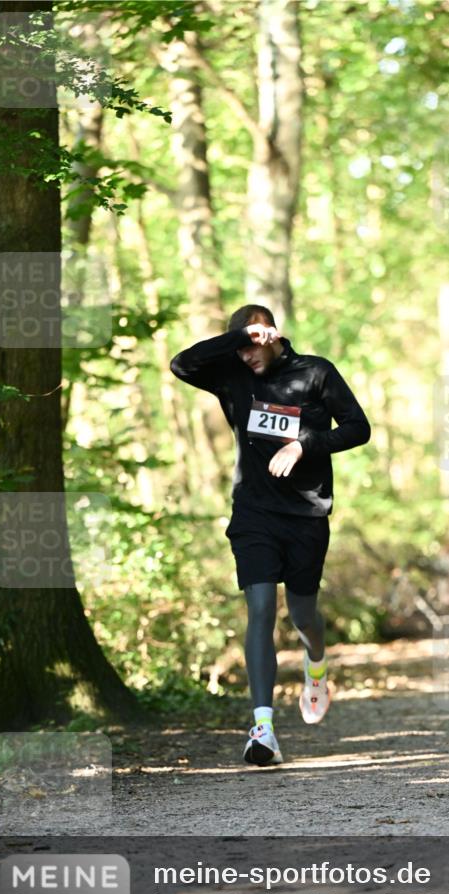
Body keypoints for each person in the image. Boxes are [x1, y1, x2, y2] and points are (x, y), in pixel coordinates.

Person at [170, 304, 371, 765]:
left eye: (252, 347)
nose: (246, 357)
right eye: (238, 349)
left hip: (305, 515)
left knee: (303, 615)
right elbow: (182, 364)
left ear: (275, 335)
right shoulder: (233, 376)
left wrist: (306, 443)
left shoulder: (315, 373)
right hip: (254, 514)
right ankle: (263, 731)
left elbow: (359, 428)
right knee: (260, 608)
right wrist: (239, 338)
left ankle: (315, 664)